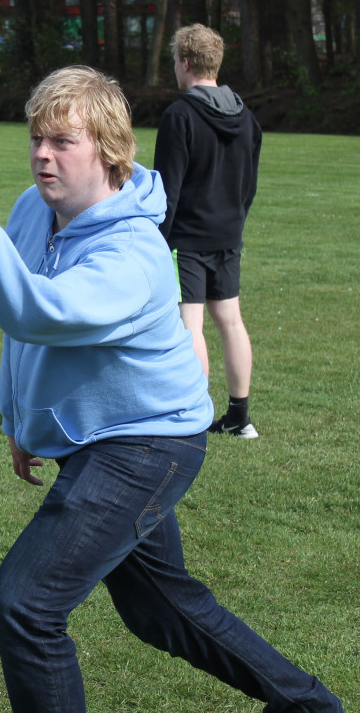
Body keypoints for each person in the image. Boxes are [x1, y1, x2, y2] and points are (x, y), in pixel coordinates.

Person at [0, 66, 342, 713]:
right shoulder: (34, 210)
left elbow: (38, 313)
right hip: (101, 441)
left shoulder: (133, 253)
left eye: (61, 141)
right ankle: (309, 706)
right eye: (35, 139)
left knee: (27, 603)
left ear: (109, 151)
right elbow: (21, 335)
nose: (41, 155)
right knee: (160, 611)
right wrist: (17, 420)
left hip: (147, 444)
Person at [154, 24, 263, 439]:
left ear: (184, 63)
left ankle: (194, 415)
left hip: (188, 238)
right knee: (230, 321)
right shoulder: (246, 116)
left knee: (190, 325)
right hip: (228, 235)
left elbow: (168, 187)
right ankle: (240, 416)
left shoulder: (179, 115)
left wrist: (157, 241)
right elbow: (249, 184)